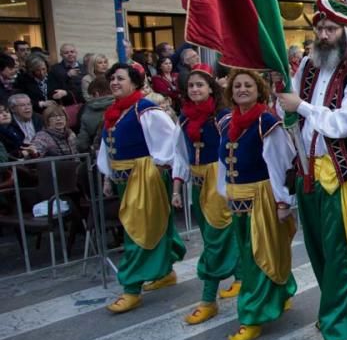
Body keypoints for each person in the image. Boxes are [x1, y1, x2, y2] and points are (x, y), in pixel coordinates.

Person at [277, 0, 347, 340]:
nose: (323, 34)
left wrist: (299, 106)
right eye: (319, 28)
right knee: (318, 250)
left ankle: (341, 328)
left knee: (341, 253)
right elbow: (289, 111)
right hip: (307, 174)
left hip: (337, 174)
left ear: (346, 33)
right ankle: (337, 308)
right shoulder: (308, 66)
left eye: (331, 28)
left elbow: (344, 122)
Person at [217, 69, 297, 340]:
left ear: (259, 89)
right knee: (255, 254)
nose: (241, 89)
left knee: (256, 260)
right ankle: (282, 291)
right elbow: (222, 164)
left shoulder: (267, 121)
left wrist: (282, 200)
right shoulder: (226, 121)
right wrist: (222, 193)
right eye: (237, 85)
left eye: (248, 85)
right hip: (236, 199)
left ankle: (251, 316)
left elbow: (279, 163)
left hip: (262, 198)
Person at [99, 63, 186, 314]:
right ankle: (165, 271)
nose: (115, 82)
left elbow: (170, 138)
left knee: (137, 233)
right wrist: (107, 176)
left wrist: (159, 168)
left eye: (120, 78)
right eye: (112, 78)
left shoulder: (145, 109)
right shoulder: (113, 112)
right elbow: (106, 148)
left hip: (144, 177)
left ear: (135, 83)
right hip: (124, 180)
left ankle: (131, 288)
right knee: (154, 226)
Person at [171, 65, 239, 325]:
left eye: (200, 85)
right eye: (191, 86)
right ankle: (241, 277)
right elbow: (179, 155)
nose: (195, 89)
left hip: (219, 183)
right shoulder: (184, 118)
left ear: (211, 87)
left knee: (214, 241)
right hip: (198, 184)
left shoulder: (222, 117)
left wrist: (233, 185)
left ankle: (208, 299)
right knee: (219, 236)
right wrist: (177, 189)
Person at [76, 77, 114, 154]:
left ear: (96, 94)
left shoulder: (87, 113)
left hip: (101, 155)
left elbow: (82, 144)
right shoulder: (123, 105)